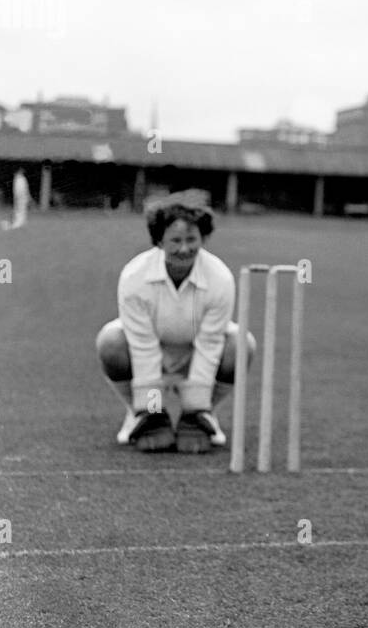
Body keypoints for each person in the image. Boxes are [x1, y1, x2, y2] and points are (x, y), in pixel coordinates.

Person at [95, 191, 255, 453]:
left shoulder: (220, 278)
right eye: (175, 240)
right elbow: (142, 345)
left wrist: (196, 407)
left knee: (241, 343)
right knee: (110, 341)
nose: (184, 249)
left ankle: (203, 415)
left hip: (196, 353)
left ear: (203, 238)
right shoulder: (134, 276)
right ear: (159, 241)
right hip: (152, 352)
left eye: (192, 239)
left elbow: (210, 342)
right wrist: (151, 407)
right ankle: (138, 413)